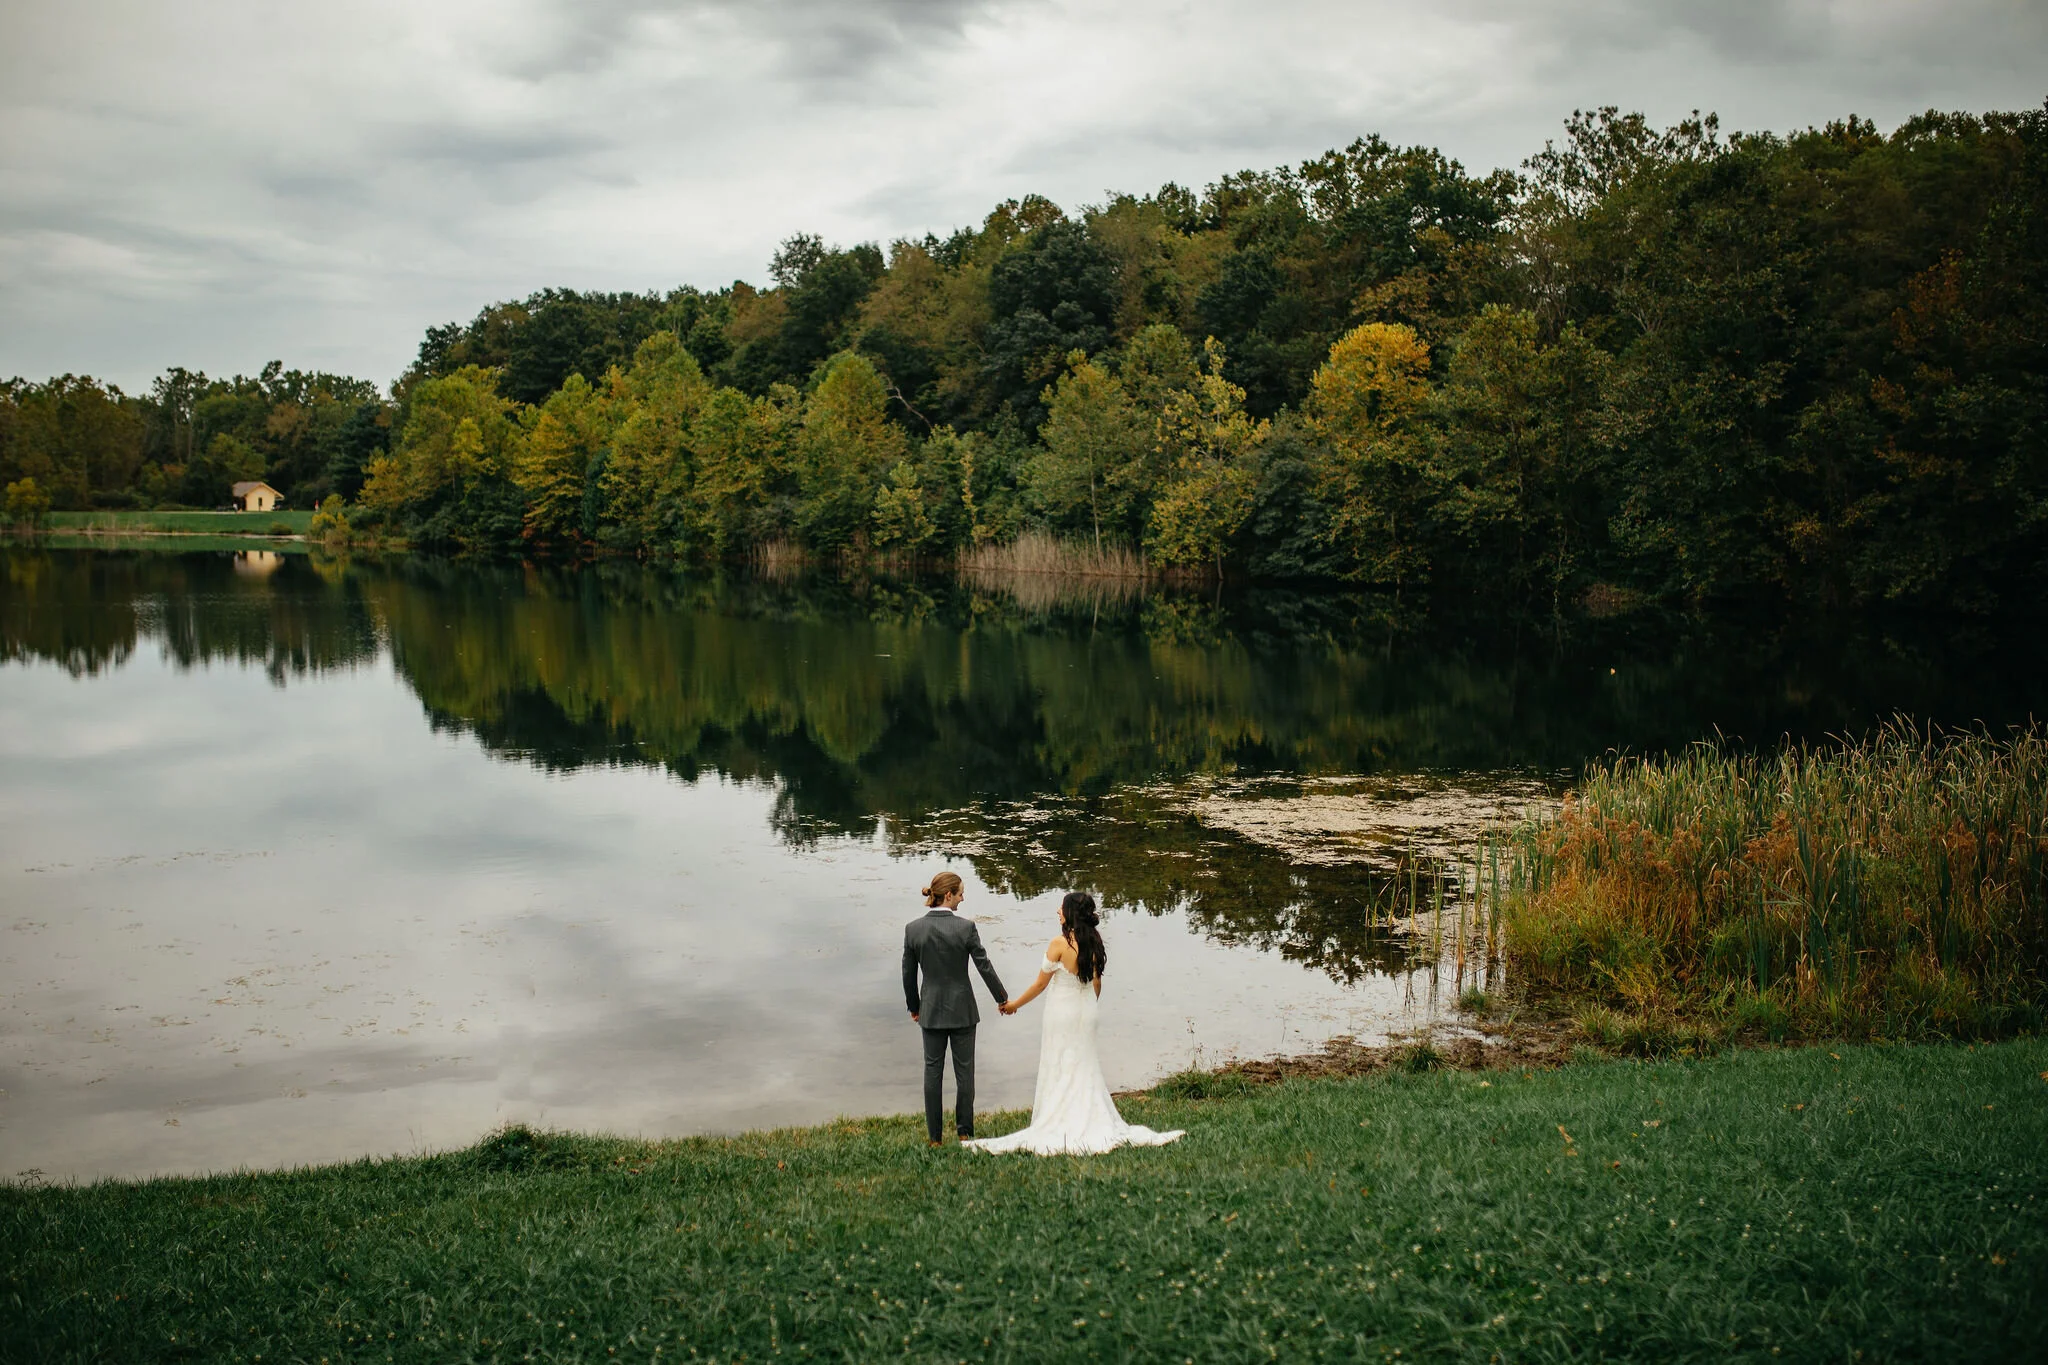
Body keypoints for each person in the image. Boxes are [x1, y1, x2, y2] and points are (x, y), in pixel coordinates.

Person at [965, 891, 1184, 1155]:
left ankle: (1061, 1118)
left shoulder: (1059, 943)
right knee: (1084, 1064)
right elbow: (1097, 983)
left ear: (1069, 913)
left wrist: (1013, 1005)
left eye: (1061, 908)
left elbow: (1039, 985)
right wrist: (1089, 1006)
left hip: (1062, 1013)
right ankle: (1085, 1115)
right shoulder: (1094, 941)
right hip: (1087, 1011)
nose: (1057, 911)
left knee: (1059, 1063)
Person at [902, 871, 1008, 1146]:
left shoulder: (913, 929)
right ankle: (964, 1132)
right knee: (965, 1073)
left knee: (932, 1073)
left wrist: (915, 1006)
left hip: (931, 1010)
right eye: (960, 893)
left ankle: (935, 1138)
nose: (963, 898)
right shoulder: (966, 928)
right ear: (948, 895)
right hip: (963, 1010)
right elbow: (983, 965)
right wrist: (1001, 997)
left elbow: (908, 974)